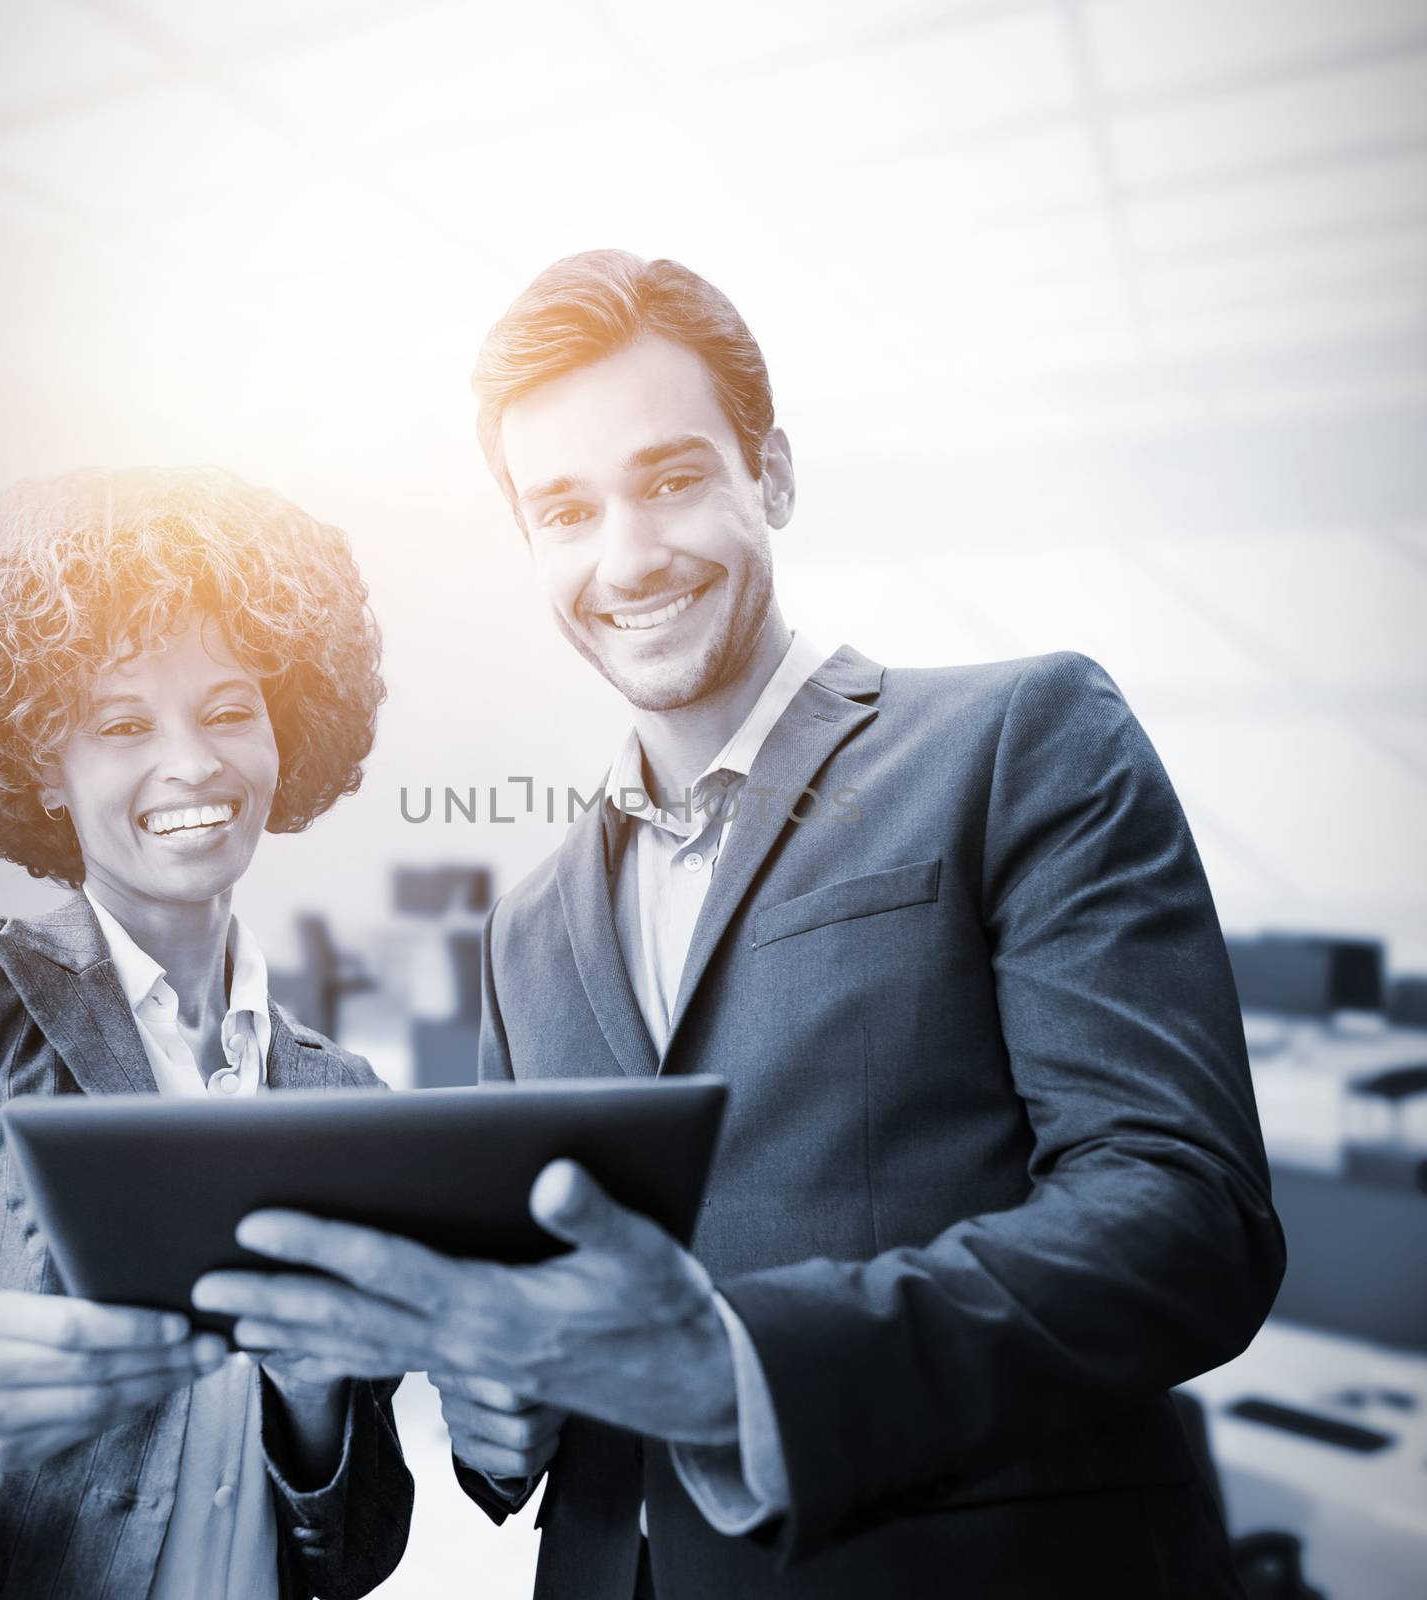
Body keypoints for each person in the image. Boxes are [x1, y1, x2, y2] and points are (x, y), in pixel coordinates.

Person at [192, 253, 1286, 1599]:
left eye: (669, 481)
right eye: (565, 510)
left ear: (769, 474)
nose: (627, 557)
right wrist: (495, 1408)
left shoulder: (1020, 737)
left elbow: (1186, 1215)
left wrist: (731, 1367)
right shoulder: (529, 928)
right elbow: (532, 1352)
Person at [0, 467, 412, 1598]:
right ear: (45, 763)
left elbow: (357, 1553)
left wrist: (313, 1403)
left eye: (232, 708)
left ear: (285, 729)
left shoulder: (342, 1093)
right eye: (121, 723)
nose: (190, 762)